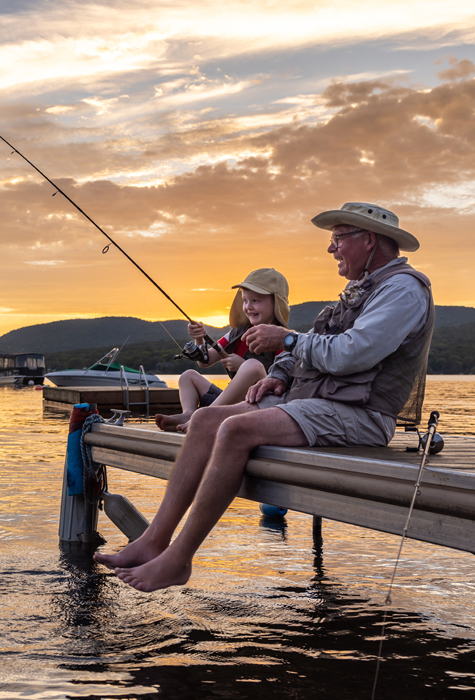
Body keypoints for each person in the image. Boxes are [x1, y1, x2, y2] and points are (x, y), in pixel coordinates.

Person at [94, 202, 434, 593]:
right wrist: (279, 375)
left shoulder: (403, 290)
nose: (331, 249)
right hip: (319, 403)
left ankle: (179, 559)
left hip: (362, 415)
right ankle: (154, 540)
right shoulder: (364, 289)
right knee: (204, 421)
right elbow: (320, 347)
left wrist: (287, 338)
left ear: (369, 240)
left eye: (337, 239)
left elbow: (351, 352)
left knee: (237, 429)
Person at [155, 268, 290, 432]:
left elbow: (281, 381)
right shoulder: (236, 334)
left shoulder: (283, 339)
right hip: (227, 403)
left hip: (259, 404)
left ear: (276, 303)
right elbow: (205, 361)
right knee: (188, 376)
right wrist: (199, 337)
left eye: (255, 301)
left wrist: (242, 366)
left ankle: (205, 416)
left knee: (253, 366)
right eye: (245, 301)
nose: (248, 307)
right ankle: (190, 414)